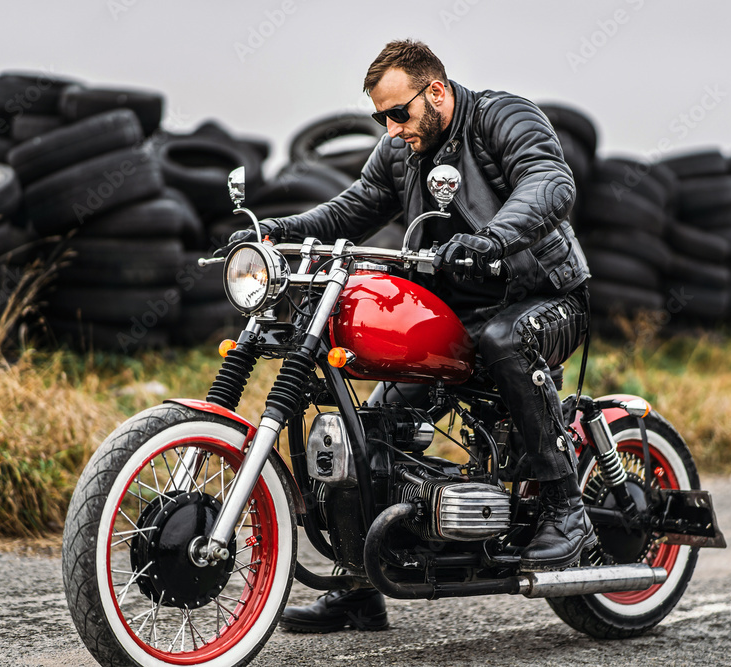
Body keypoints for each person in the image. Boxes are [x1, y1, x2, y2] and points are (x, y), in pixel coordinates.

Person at [230, 39, 595, 633]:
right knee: (368, 428)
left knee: (505, 339)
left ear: (437, 91)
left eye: (399, 113)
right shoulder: (399, 151)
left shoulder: (503, 118)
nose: (393, 128)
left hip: (544, 297)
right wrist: (277, 231)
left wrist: (492, 240)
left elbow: (550, 185)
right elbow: (352, 209)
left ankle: (566, 507)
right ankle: (359, 586)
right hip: (457, 313)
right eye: (381, 117)